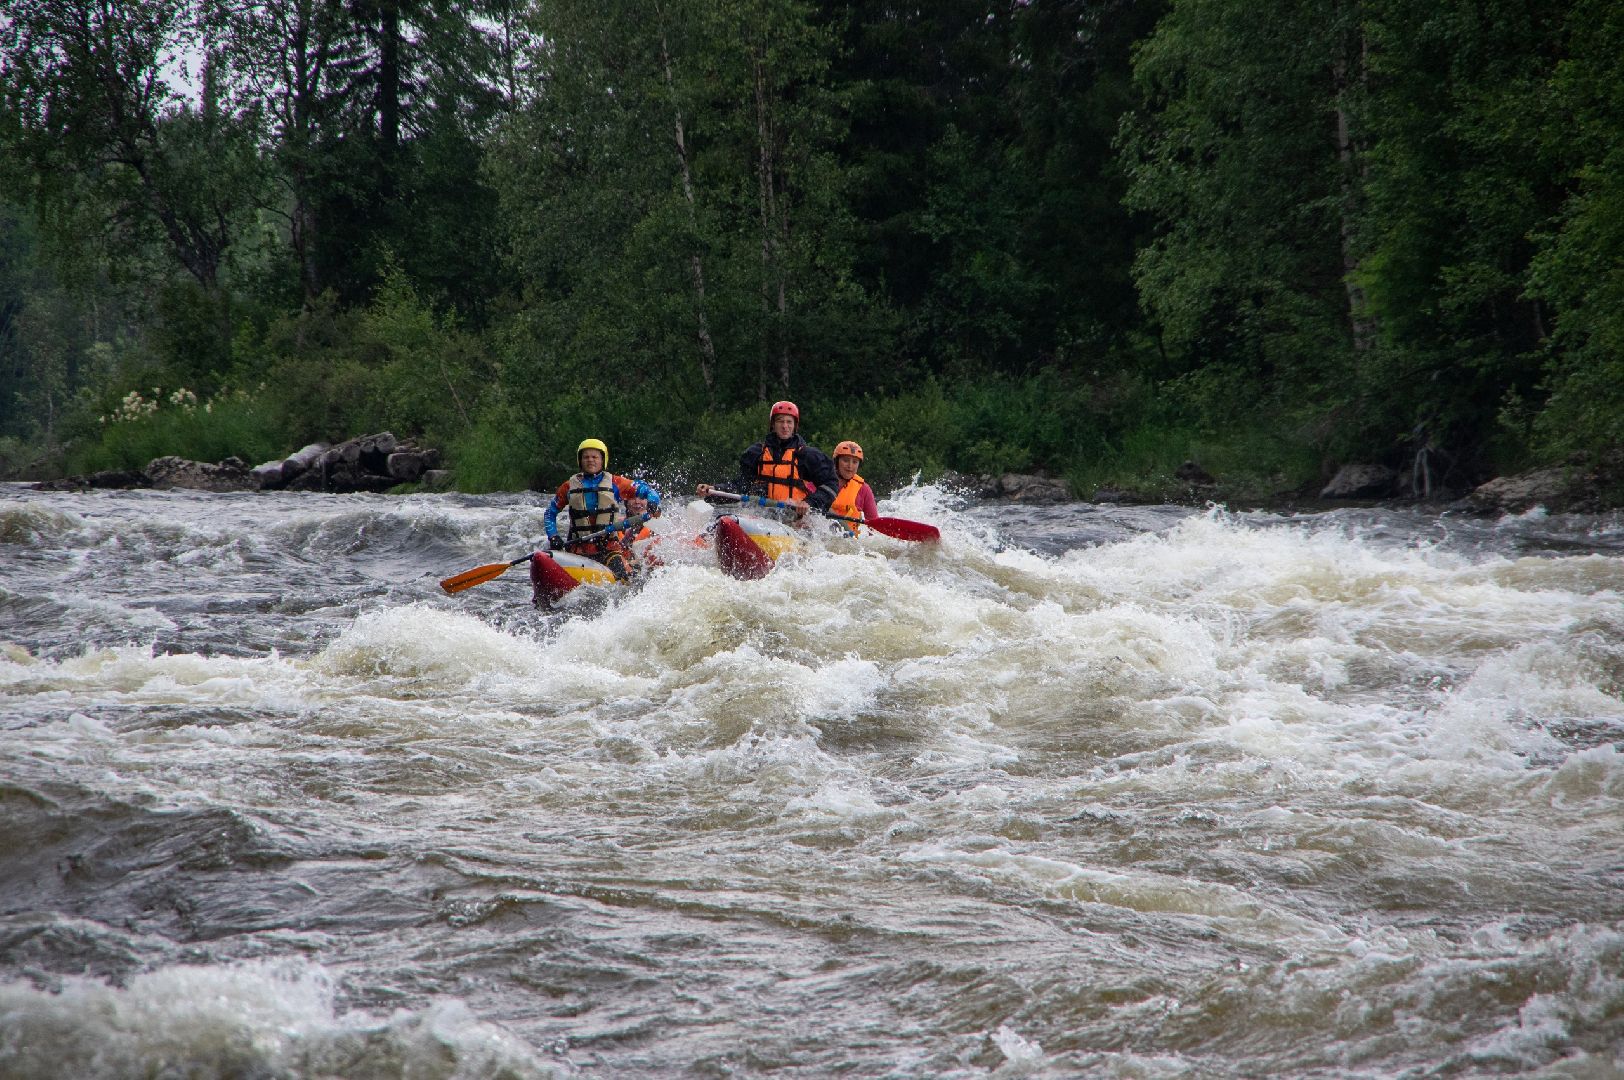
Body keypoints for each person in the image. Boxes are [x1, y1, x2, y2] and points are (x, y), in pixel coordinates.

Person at [543, 438, 661, 583]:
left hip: (608, 550)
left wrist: (653, 503)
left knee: (622, 576)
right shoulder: (568, 487)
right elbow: (550, 513)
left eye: (595, 457)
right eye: (586, 457)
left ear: (602, 460)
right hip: (577, 551)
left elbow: (648, 490)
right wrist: (553, 536)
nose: (590, 460)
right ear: (580, 460)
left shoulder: (616, 483)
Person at [695, 400, 839, 516]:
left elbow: (831, 483)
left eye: (789, 422)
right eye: (780, 421)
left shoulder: (807, 455)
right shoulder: (756, 453)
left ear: (795, 426)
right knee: (723, 519)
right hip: (762, 515)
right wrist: (713, 490)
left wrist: (809, 502)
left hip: (794, 518)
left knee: (800, 523)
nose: (785, 426)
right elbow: (741, 486)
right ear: (773, 425)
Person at [827, 440, 879, 534]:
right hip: (820, 538)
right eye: (846, 460)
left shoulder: (864, 489)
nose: (850, 466)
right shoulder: (820, 480)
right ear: (836, 462)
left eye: (855, 462)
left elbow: (874, 528)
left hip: (851, 541)